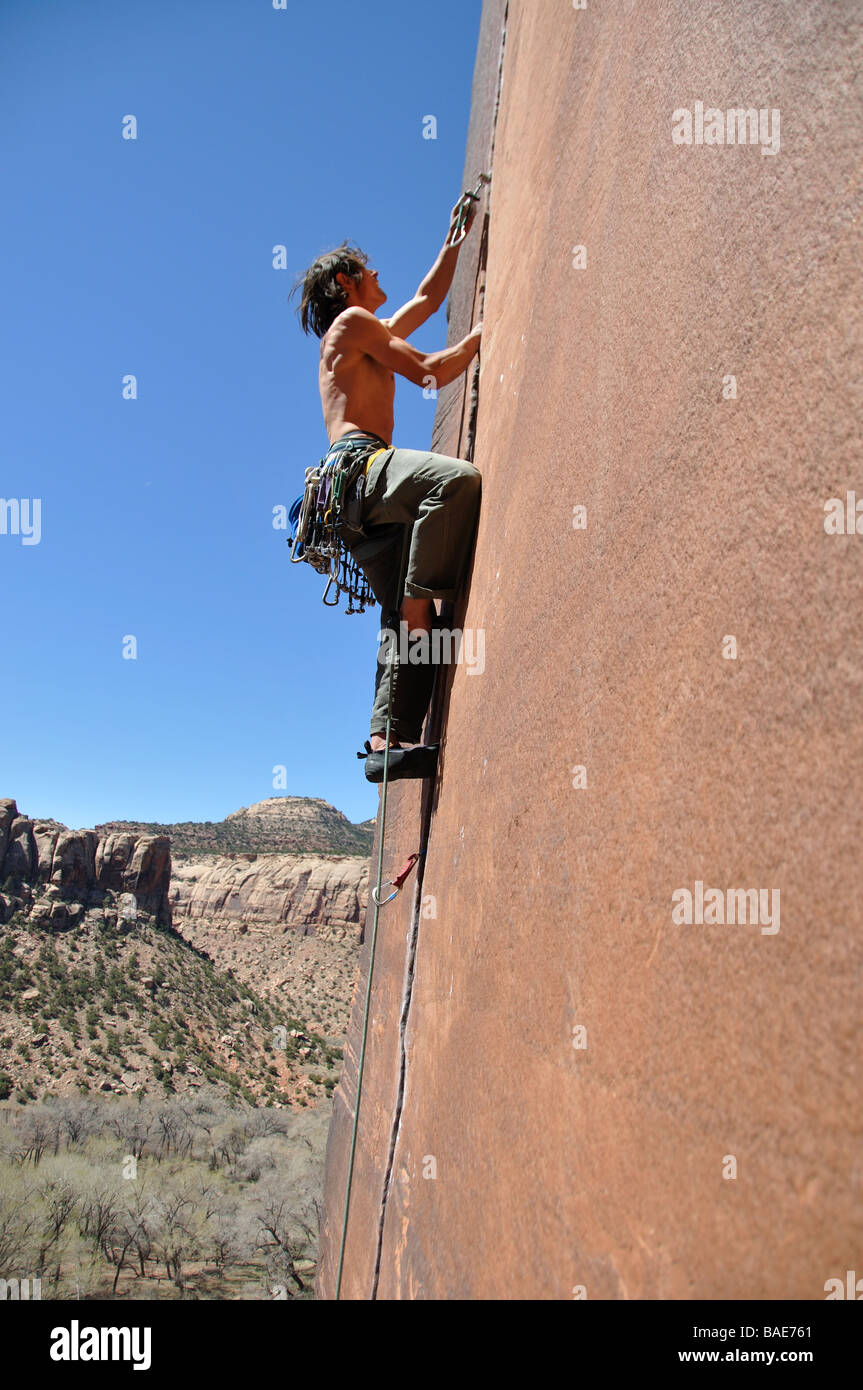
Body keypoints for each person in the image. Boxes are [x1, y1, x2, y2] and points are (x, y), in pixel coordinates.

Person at [294, 198, 484, 782]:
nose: (379, 274)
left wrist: (456, 239)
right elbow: (430, 369)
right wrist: (486, 332)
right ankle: (413, 599)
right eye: (369, 269)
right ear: (347, 282)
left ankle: (387, 741)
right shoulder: (350, 325)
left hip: (352, 504)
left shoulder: (364, 333)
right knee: (456, 482)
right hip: (361, 472)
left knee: (413, 622)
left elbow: (427, 300)